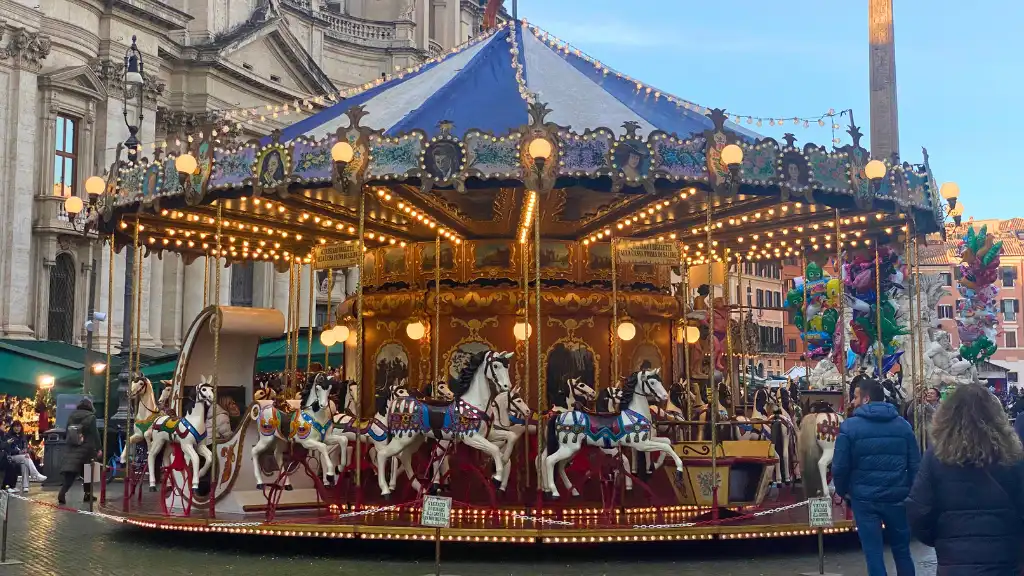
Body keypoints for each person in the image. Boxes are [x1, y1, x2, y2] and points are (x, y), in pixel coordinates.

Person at [906, 384, 1024, 575]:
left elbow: (918, 511)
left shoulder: (936, 456)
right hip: (1004, 563)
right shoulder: (1013, 455)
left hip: (954, 564)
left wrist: (942, 539)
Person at [832, 378, 920, 576]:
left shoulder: (849, 427)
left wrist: (842, 490)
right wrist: (913, 493)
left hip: (865, 499)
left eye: (855, 397)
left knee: (873, 554)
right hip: (898, 497)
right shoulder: (903, 426)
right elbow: (915, 464)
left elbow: (840, 466)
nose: (853, 402)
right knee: (902, 551)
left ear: (866, 399)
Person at [58, 398, 102, 505]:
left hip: (73, 447)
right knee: (88, 472)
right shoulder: (91, 417)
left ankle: (62, 493)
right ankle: (88, 494)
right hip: (87, 448)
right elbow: (95, 434)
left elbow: (67, 430)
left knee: (71, 473)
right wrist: (99, 448)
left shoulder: (72, 415)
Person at [5, 421, 45, 491]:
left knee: (25, 462)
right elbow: (8, 449)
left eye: (19, 426)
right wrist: (19, 452)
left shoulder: (23, 436)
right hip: (11, 456)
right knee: (25, 458)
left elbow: (25, 446)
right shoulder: (8, 436)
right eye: (15, 426)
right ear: (12, 427)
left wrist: (25, 451)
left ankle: (25, 486)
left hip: (22, 457)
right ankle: (35, 474)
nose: (17, 428)